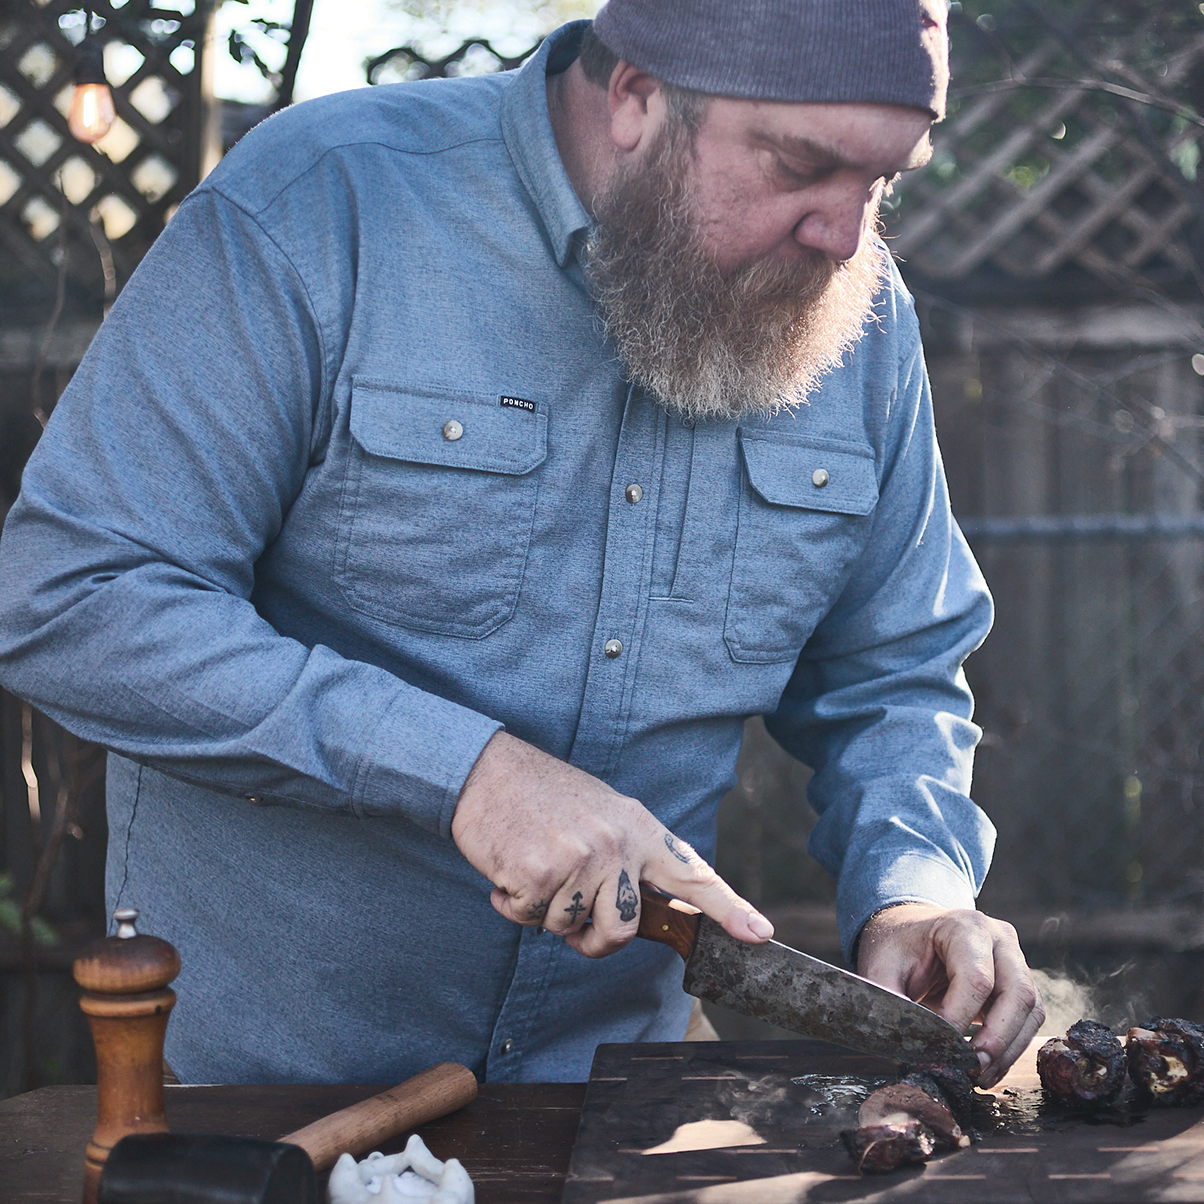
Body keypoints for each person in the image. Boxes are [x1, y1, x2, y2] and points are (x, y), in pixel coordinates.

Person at [0, 0, 1043, 1088]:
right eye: (798, 165)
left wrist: (915, 885)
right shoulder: (322, 202)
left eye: (881, 182)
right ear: (638, 93)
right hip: (266, 1097)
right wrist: (466, 774)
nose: (842, 236)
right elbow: (76, 597)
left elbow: (893, 673)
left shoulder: (862, 314)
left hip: (611, 1095)